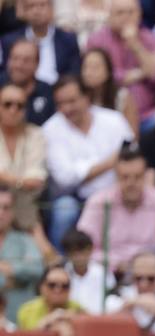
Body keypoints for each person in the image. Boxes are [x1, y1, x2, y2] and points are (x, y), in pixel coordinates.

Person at [42, 74, 134, 243]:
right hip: (76, 198)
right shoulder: (50, 129)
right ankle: (60, 264)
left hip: (118, 193)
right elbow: (65, 179)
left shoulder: (114, 120)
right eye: (60, 104)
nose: (66, 109)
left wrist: (83, 171)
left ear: (87, 97)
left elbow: (132, 157)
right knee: (64, 209)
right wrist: (111, 162)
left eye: (72, 101)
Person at [76, 146, 155, 274]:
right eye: (125, 177)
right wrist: (115, 263)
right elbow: (83, 248)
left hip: (153, 273)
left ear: (145, 176)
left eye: (137, 177)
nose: (131, 183)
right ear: (116, 177)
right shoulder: (99, 202)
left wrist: (143, 264)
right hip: (108, 273)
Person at [85, 0, 155, 122]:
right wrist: (142, 72)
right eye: (120, 13)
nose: (126, 17)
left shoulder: (151, 38)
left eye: (131, 12)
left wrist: (135, 44)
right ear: (109, 16)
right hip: (110, 114)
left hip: (148, 114)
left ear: (139, 14)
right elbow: (101, 77)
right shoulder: (96, 40)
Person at [0, 0, 78, 86]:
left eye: (42, 5)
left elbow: (73, 73)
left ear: (52, 9)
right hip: (22, 91)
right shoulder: (9, 41)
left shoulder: (67, 39)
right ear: (24, 12)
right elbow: (6, 73)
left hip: (58, 93)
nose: (36, 11)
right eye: (31, 6)